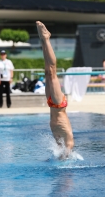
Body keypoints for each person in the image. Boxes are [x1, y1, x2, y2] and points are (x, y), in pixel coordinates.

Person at [36, 21, 74, 159]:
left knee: (47, 72)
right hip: (59, 104)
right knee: (52, 73)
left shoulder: (59, 142)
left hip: (51, 104)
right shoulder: (69, 141)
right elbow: (68, 149)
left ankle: (43, 40)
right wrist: (65, 157)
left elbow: (58, 151)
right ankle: (46, 38)